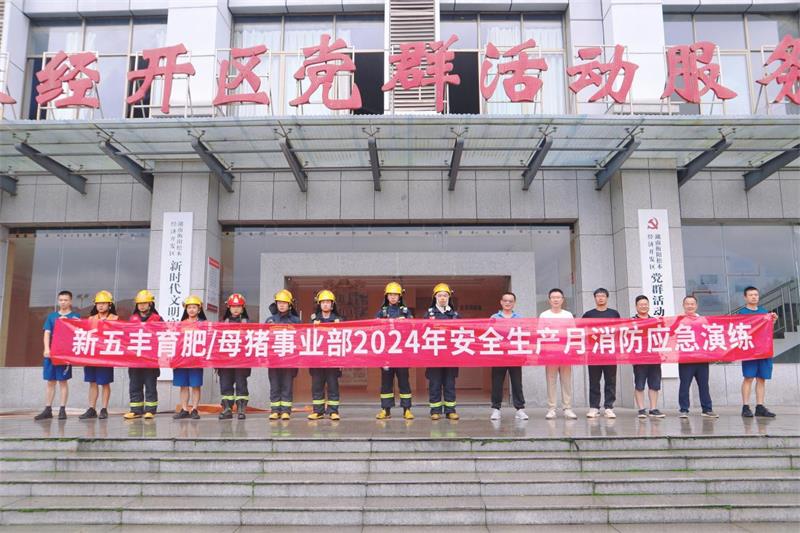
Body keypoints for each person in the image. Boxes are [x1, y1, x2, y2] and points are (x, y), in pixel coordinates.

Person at [35, 290, 80, 420]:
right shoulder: (52, 316)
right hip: (52, 353)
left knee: (63, 381)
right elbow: (47, 333)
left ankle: (62, 409)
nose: (63, 302)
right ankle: (48, 409)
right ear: (58, 301)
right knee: (50, 381)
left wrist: (69, 322)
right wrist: (46, 349)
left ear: (70, 301)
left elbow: (79, 332)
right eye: (61, 300)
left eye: (65, 300)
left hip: (65, 354)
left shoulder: (75, 316)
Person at [738, 286, 779, 418]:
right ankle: (745, 407)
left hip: (764, 350)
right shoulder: (741, 313)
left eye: (756, 294)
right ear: (745, 297)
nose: (754, 297)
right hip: (749, 351)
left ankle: (760, 406)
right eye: (751, 295)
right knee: (748, 377)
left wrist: (773, 321)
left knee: (762, 378)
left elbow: (767, 330)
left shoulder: (764, 312)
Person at [375, 281, 414, 420]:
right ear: (386, 296)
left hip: (402, 354)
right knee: (386, 384)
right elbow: (374, 329)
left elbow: (414, 329)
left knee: (404, 383)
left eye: (395, 294)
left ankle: (407, 409)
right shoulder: (381, 312)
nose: (393, 297)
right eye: (390, 294)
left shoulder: (406, 312)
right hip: (386, 354)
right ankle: (386, 410)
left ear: (400, 296)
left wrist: (407, 323)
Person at [539, 288, 577, 420]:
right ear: (549, 300)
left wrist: (572, 350)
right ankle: (551, 408)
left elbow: (573, 333)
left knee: (566, 381)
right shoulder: (544, 315)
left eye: (558, 297)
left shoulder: (568, 315)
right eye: (553, 297)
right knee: (551, 381)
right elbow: (540, 333)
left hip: (565, 352)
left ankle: (568, 408)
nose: (556, 300)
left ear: (562, 300)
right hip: (550, 353)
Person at [80, 290, 118, 420]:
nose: (100, 306)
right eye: (98, 303)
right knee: (92, 382)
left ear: (110, 304)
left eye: (103, 303)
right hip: (92, 355)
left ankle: (104, 409)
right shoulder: (91, 319)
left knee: (105, 383)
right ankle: (91, 408)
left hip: (105, 356)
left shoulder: (115, 319)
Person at [124, 290, 162, 420]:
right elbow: (125, 336)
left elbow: (164, 335)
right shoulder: (132, 319)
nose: (141, 306)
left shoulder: (157, 319)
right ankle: (136, 410)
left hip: (150, 360)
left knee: (150, 385)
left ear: (150, 304)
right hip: (134, 359)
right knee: (134, 385)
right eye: (139, 303)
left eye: (144, 303)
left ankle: (150, 410)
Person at [678, 295, 718, 418]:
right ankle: (684, 409)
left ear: (696, 306)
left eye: (692, 304)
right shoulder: (679, 320)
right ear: (683, 306)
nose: (690, 306)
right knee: (685, 385)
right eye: (687, 304)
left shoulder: (703, 320)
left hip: (701, 358)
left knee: (704, 385)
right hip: (686, 359)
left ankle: (707, 409)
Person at [582, 288, 620, 419]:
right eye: (598, 296)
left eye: (603, 296)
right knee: (594, 381)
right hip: (594, 352)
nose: (600, 298)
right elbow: (582, 331)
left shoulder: (614, 314)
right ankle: (594, 407)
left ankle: (609, 407)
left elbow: (619, 331)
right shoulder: (588, 315)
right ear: (594, 298)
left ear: (607, 298)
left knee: (610, 380)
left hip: (610, 352)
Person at [489, 292, 527, 420]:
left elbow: (524, 335)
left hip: (515, 354)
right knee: (497, 383)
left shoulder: (519, 318)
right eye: (505, 300)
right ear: (501, 302)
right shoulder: (494, 317)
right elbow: (488, 334)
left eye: (510, 301)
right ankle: (496, 409)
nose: (507, 303)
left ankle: (520, 409)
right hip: (499, 355)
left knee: (517, 383)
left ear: (514, 303)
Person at [307, 289, 343, 421]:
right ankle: (318, 411)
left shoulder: (339, 320)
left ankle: (333, 411)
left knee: (333, 385)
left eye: (328, 302)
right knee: (317, 386)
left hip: (333, 359)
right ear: (319, 304)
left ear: (332, 304)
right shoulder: (313, 320)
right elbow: (306, 338)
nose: (326, 304)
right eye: (323, 302)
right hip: (317, 359)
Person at [426, 283, 460, 421]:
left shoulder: (455, 315)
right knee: (435, 383)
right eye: (439, 295)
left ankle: (450, 410)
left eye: (445, 295)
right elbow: (422, 332)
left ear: (449, 297)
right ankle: (435, 411)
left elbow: (462, 332)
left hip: (450, 356)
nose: (442, 298)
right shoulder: (429, 314)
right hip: (434, 355)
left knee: (449, 384)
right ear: (435, 297)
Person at [266, 289, 300, 421]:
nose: (281, 305)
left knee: (287, 385)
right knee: (274, 385)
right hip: (274, 359)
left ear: (289, 304)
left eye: (284, 303)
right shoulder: (270, 320)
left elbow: (300, 339)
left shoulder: (296, 321)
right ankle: (275, 411)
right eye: (279, 302)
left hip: (289, 359)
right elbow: (264, 338)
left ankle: (286, 411)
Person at [218, 293, 251, 420]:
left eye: (238, 306)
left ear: (243, 308)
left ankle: (241, 409)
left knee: (241, 385)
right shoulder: (222, 324)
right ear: (229, 308)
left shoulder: (248, 324)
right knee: (225, 385)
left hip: (241, 361)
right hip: (225, 361)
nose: (235, 309)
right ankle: (227, 409)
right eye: (233, 306)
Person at [173, 295, 206, 420]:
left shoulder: (203, 324)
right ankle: (184, 409)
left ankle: (195, 409)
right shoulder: (180, 324)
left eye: (194, 307)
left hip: (196, 359)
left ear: (199, 309)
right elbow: (176, 342)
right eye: (189, 307)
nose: (191, 310)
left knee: (195, 385)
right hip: (182, 359)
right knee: (183, 385)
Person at [631, 295, 664, 419]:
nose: (643, 306)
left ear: (649, 306)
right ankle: (641, 409)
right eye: (641, 304)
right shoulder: (631, 321)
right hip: (639, 358)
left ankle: (653, 409)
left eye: (645, 304)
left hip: (654, 356)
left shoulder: (655, 321)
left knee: (654, 384)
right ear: (636, 306)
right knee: (639, 384)